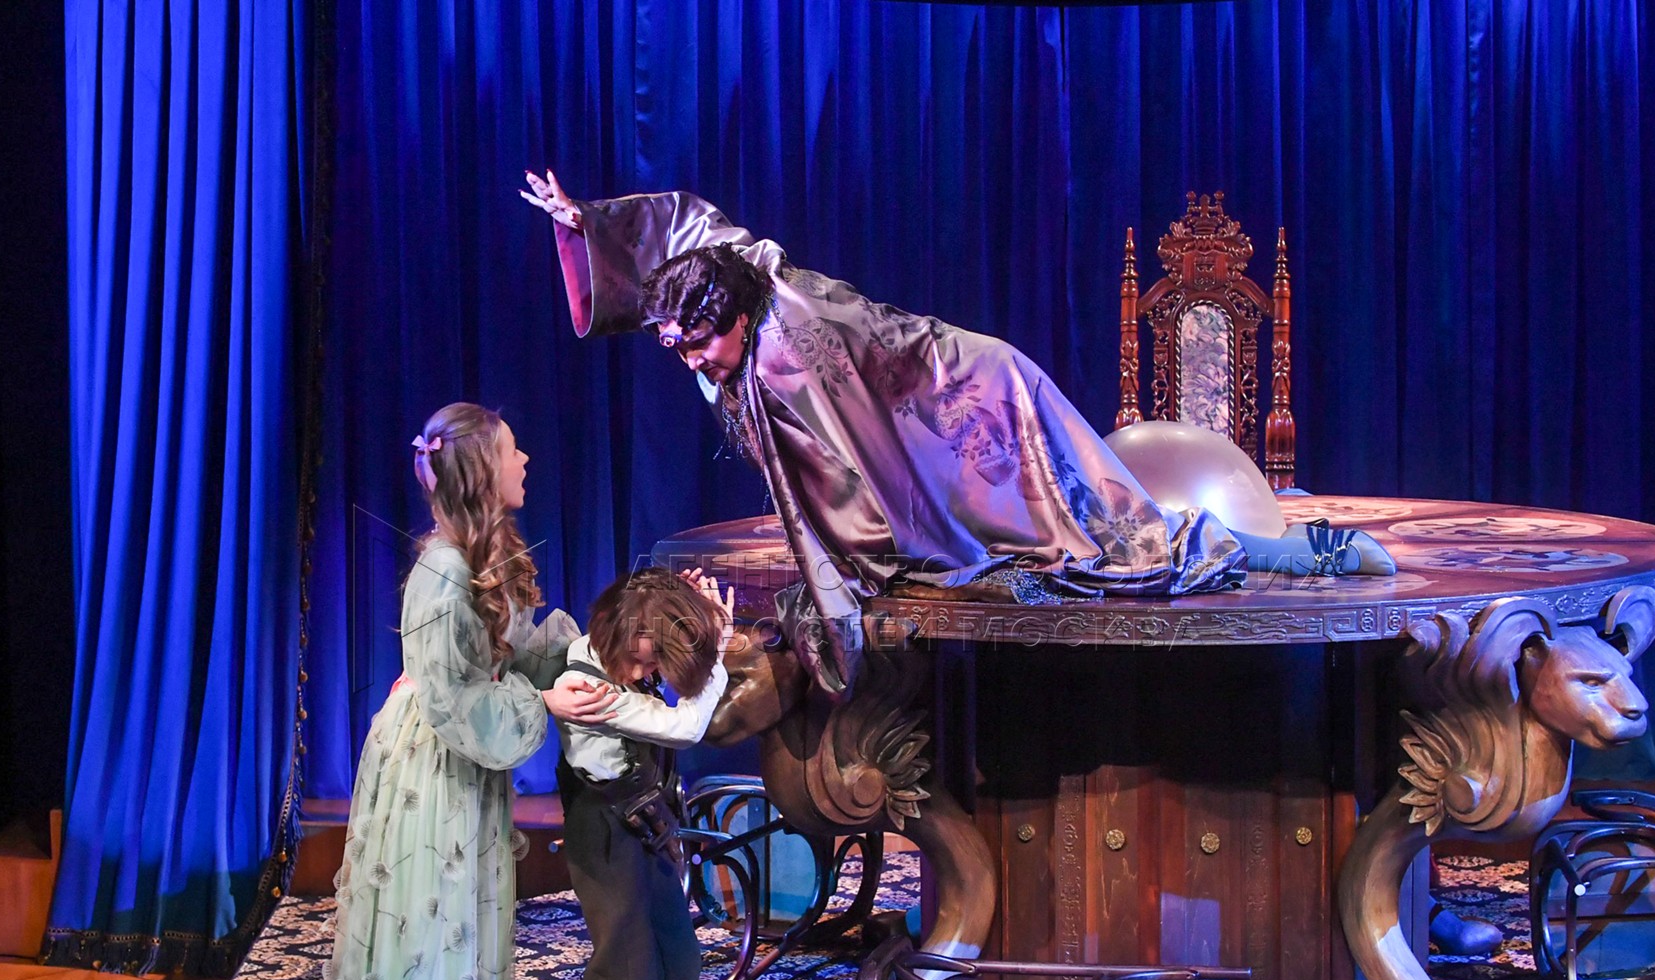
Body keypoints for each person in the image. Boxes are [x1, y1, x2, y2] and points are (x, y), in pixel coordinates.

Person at [521, 171, 1393, 690]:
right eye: (676, 348)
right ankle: (1294, 550)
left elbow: (830, 488)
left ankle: (1306, 554)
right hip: (934, 417)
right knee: (1085, 536)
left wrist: (855, 586)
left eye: (699, 345)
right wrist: (588, 226)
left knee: (1100, 549)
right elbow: (695, 227)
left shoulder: (786, 359)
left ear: (738, 321)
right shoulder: (749, 280)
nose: (693, 362)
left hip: (980, 404)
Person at [320, 402, 617, 980]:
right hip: (432, 763)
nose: (525, 463)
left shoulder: (480, 556)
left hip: (466, 761)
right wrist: (542, 701)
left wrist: (586, 652)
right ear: (484, 472)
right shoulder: (444, 570)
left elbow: (504, 656)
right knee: (423, 922)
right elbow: (451, 698)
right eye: (513, 452)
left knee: (475, 914)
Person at [533, 566, 736, 980]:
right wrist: (717, 652)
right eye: (642, 659)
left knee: (679, 959)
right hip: (605, 835)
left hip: (647, 824)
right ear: (612, 635)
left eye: (656, 662)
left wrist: (701, 630)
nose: (646, 672)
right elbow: (684, 726)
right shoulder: (584, 684)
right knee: (629, 977)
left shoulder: (628, 651)